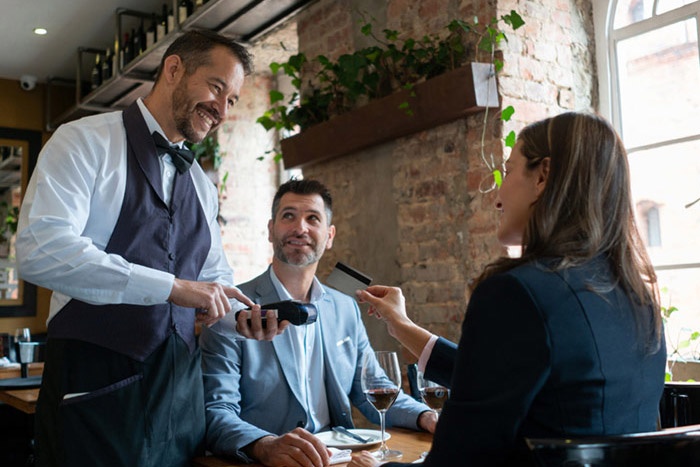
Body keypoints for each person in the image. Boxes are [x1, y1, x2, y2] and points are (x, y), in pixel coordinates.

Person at [16, 29, 280, 467]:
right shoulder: (83, 142)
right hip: (95, 402)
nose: (222, 110)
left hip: (180, 409)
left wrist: (241, 320)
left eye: (232, 100)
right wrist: (171, 287)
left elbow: (214, 278)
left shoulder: (201, 184)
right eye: (217, 88)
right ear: (173, 69)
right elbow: (40, 249)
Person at [347, 112, 667, 467]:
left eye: (509, 170)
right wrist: (403, 327)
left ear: (542, 176)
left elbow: (457, 460)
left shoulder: (516, 293)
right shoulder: (637, 298)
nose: (497, 197)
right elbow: (516, 380)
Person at [200, 178, 437, 466]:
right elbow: (216, 411)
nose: (300, 228)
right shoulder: (232, 310)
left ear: (329, 235)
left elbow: (374, 390)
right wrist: (265, 446)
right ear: (270, 229)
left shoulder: (346, 307)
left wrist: (426, 417)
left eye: (313, 218)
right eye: (288, 216)